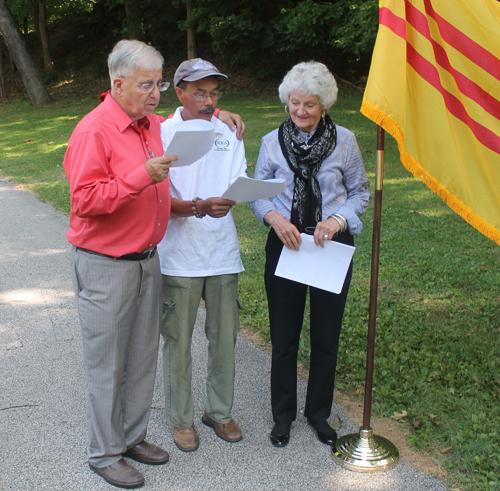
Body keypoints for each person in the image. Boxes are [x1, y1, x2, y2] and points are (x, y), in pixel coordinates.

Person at [63, 41, 244, 489]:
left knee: (143, 356)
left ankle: (131, 437)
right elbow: (84, 201)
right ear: (117, 83)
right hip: (107, 263)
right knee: (109, 362)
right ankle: (104, 453)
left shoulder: (150, 124)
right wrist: (141, 176)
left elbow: (190, 118)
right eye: (147, 84)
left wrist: (220, 114)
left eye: (159, 83)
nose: (155, 92)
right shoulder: (95, 130)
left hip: (148, 259)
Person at [249, 61, 370, 448]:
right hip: (286, 246)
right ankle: (282, 417)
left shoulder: (346, 141)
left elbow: (360, 193)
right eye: (295, 104)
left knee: (325, 335)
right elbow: (258, 192)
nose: (301, 112)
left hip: (330, 247)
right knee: (284, 337)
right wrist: (273, 217)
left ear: (325, 106)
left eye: (310, 105)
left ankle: (318, 414)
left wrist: (336, 220)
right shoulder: (271, 142)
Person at [157, 58, 247, 453]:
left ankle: (219, 411)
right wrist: (196, 206)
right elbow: (157, 197)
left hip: (222, 252)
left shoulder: (228, 129)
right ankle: (181, 419)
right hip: (179, 255)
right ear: (180, 93)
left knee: (224, 338)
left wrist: (234, 197)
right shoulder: (161, 133)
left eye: (214, 93)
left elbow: (237, 179)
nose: (209, 101)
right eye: (200, 93)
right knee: (178, 340)